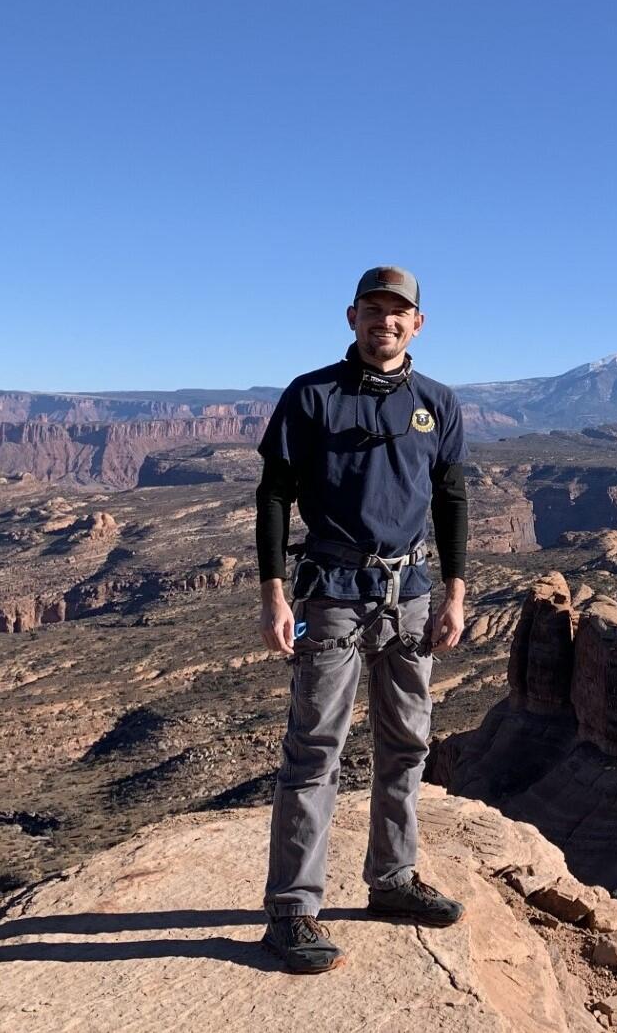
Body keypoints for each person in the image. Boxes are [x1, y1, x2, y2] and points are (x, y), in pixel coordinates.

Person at [254, 265, 468, 973]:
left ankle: (393, 879)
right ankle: (291, 910)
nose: (386, 321)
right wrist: (273, 593)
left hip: (408, 593)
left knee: (407, 742)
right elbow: (274, 497)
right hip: (331, 594)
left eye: (398, 312)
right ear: (351, 318)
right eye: (373, 311)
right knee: (315, 749)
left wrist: (455, 592)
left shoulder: (437, 404)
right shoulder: (311, 395)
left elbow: (451, 501)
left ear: (418, 323)